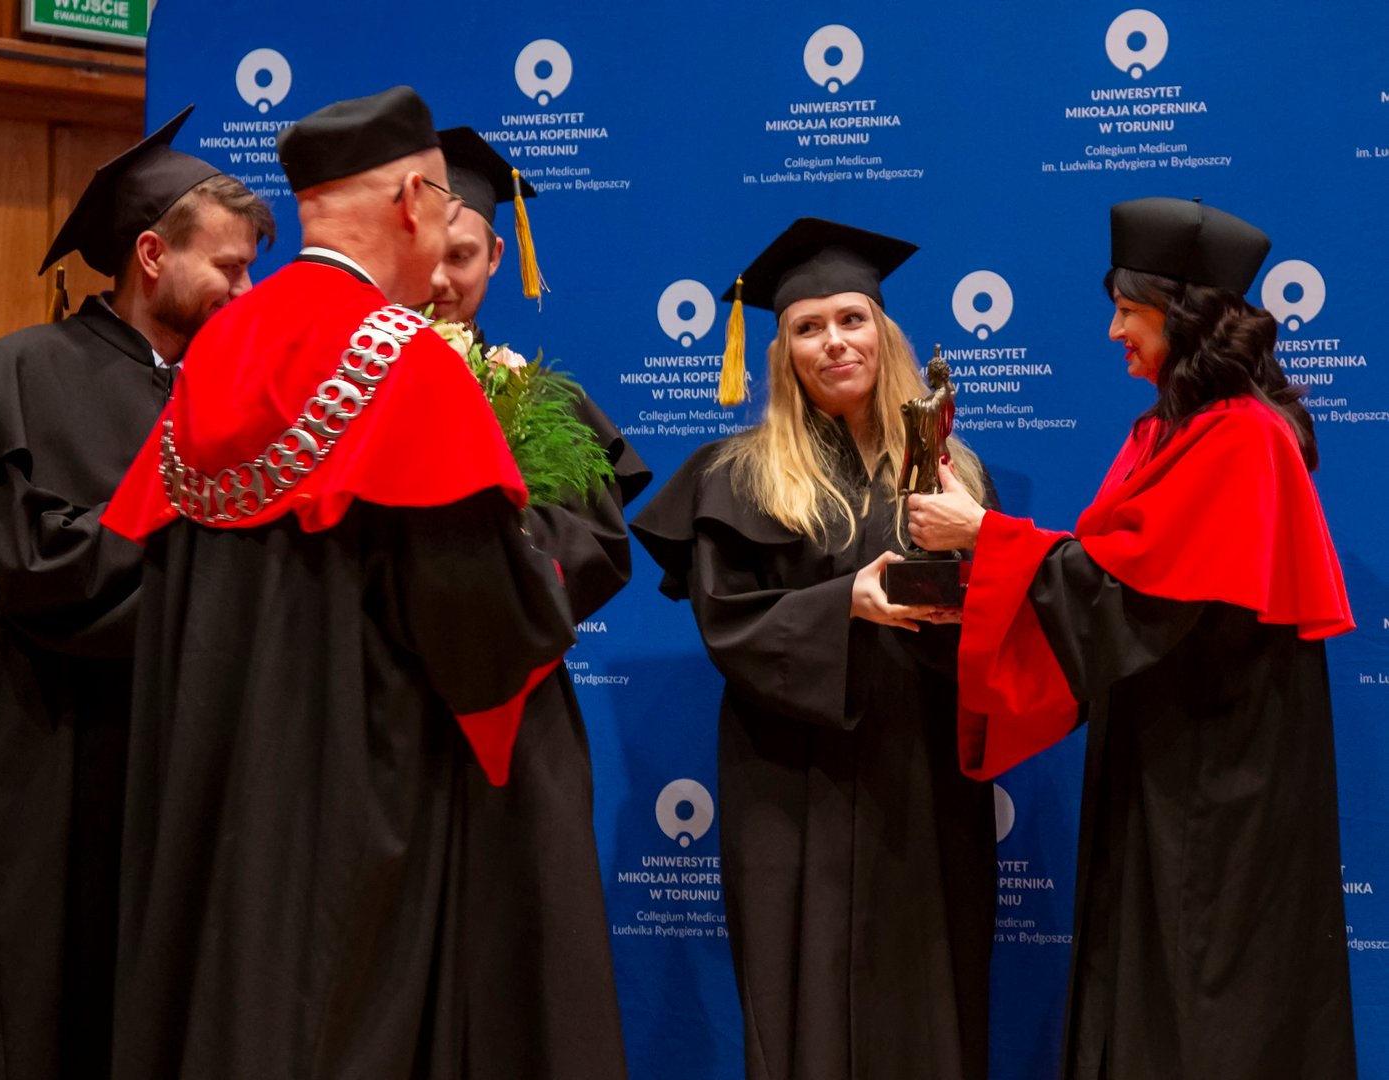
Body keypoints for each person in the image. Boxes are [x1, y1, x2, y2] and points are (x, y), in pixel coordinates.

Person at [99, 86, 577, 1078]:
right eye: (444, 209)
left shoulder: (215, 348)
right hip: (354, 785)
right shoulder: (405, 359)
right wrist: (544, 581)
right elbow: (478, 623)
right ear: (411, 202)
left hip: (216, 781)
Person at [905, 196, 1356, 1079]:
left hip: (1221, 776)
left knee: (1203, 990)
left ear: (1182, 313)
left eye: (1127, 309)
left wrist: (988, 537)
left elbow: (1137, 596)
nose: (1113, 331)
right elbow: (1111, 571)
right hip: (1162, 754)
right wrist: (988, 572)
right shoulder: (1165, 430)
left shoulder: (1244, 438)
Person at [0, 106, 273, 1080]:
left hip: (181, 760)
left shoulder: (227, 396)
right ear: (152, 255)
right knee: (52, 1019)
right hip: (50, 758)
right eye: (228, 268)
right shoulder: (19, 377)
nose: (246, 292)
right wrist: (207, 561)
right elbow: (43, 572)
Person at [631, 218, 998, 1080]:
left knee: (928, 991)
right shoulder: (739, 475)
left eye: (851, 319)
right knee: (800, 995)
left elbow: (997, 625)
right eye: (808, 327)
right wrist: (846, 604)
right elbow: (728, 623)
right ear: (783, 353)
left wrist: (975, 559)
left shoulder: (952, 471)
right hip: (793, 782)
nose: (834, 341)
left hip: (922, 774)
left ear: (884, 332)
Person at [429, 125, 646, 1079]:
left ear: (496, 258)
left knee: (527, 950)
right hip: (387, 709)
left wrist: (495, 563)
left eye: (464, 257)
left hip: (521, 716)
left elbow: (599, 545)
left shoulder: (540, 399)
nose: (442, 280)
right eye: (427, 254)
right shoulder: (342, 392)